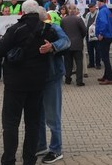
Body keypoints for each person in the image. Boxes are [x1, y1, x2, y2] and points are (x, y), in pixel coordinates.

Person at [0, 0, 59, 165]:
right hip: (37, 83)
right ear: (37, 12)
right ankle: (29, 159)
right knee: (33, 123)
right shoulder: (48, 30)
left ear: (22, 12)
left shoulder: (16, 29)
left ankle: (9, 159)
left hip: (15, 83)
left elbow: (0, 50)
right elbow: (58, 44)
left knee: (10, 122)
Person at [37, 9, 70, 164]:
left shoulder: (53, 28)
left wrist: (52, 46)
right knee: (38, 115)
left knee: (52, 115)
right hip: (37, 79)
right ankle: (41, 145)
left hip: (52, 76)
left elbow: (66, 41)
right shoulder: (30, 29)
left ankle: (56, 149)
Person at [60, 4, 87, 86]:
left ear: (68, 10)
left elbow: (62, 31)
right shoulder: (78, 19)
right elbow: (84, 31)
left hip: (67, 44)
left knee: (68, 63)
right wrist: (80, 37)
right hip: (78, 44)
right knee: (79, 63)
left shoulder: (63, 20)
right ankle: (79, 81)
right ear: (75, 10)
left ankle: (68, 79)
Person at [95, 0, 112, 85]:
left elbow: (104, 23)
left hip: (104, 37)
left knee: (105, 58)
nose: (97, 4)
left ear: (100, 2)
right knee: (105, 57)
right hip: (108, 36)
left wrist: (101, 34)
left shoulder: (102, 11)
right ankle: (106, 76)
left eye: (98, 2)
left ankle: (109, 78)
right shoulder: (107, 10)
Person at [83, 2, 101, 69]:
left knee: (98, 50)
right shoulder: (88, 14)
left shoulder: (98, 14)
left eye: (92, 7)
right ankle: (91, 63)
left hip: (96, 34)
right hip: (88, 35)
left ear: (95, 7)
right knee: (90, 50)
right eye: (90, 7)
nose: (91, 9)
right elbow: (85, 23)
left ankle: (98, 64)